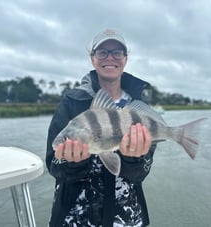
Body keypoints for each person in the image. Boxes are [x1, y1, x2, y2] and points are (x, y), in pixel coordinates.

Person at [46, 28, 157, 227]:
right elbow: (53, 166)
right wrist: (73, 164)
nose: (110, 57)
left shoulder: (139, 108)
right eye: (102, 52)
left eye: (117, 52)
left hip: (127, 218)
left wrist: (135, 158)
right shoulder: (71, 102)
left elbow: (141, 174)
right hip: (75, 218)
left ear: (125, 58)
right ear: (92, 58)